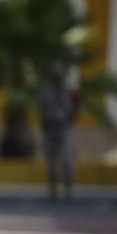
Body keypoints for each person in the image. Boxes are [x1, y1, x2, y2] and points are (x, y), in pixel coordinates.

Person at [38, 66, 79, 200]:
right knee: (52, 164)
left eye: (59, 75)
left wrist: (70, 117)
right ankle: (53, 190)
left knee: (67, 162)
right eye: (54, 75)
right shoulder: (46, 91)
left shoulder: (70, 91)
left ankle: (68, 189)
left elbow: (77, 108)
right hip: (50, 130)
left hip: (65, 129)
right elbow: (41, 109)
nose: (57, 78)